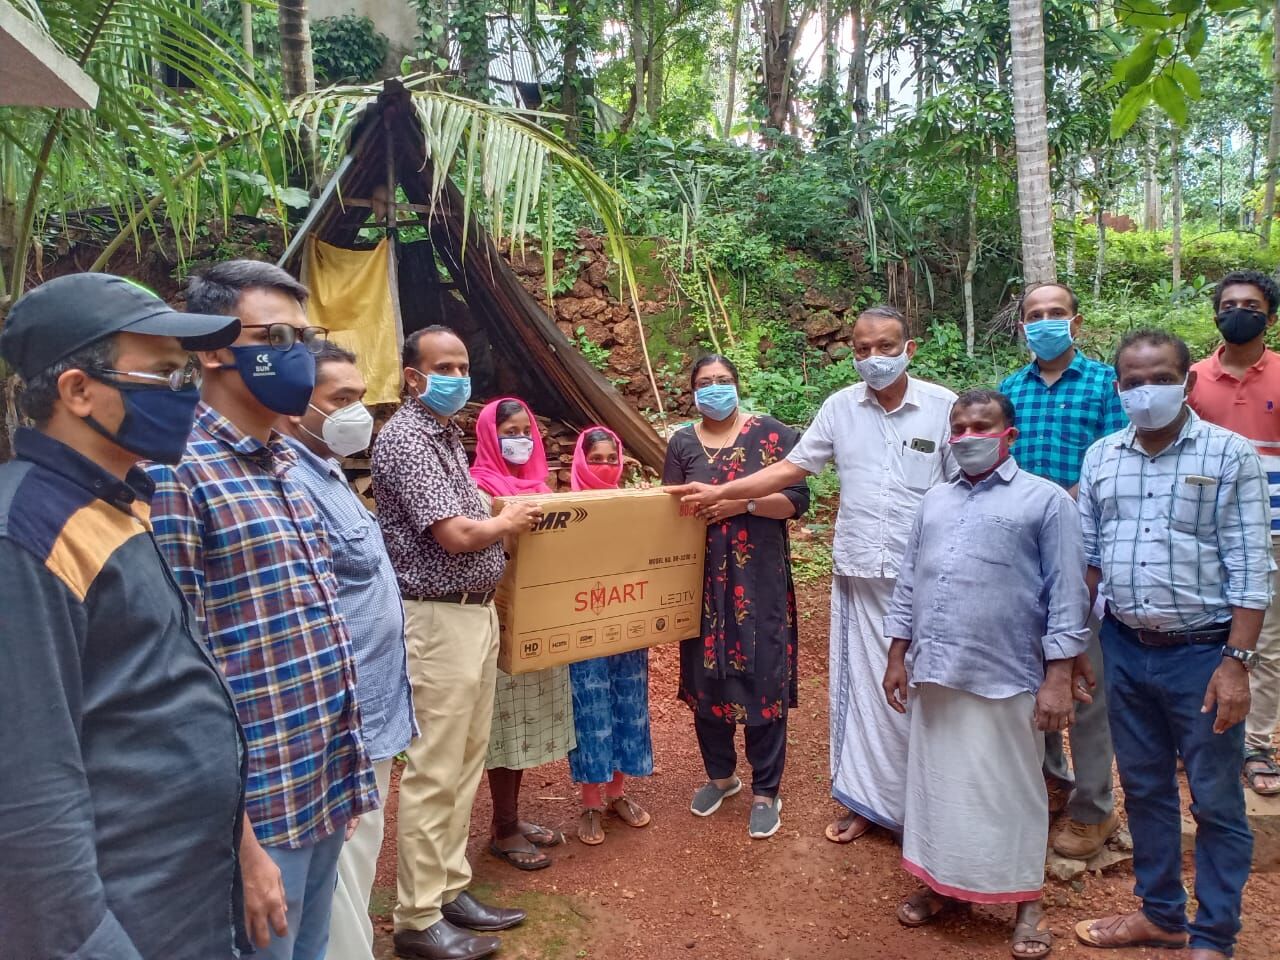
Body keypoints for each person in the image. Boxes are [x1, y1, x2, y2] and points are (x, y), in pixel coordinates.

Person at [0, 274, 251, 958]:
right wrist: (89, 944)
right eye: (168, 374)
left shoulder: (118, 502)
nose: (191, 392)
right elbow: (28, 792)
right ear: (78, 391)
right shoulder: (27, 536)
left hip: (189, 895)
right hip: (128, 921)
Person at [146, 261, 378, 960]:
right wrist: (242, 846)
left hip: (322, 778)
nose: (296, 353)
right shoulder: (175, 472)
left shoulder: (284, 459)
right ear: (214, 348)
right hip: (256, 810)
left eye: (303, 336)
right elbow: (172, 674)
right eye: (274, 334)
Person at [670, 306, 956, 843]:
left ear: (909, 349)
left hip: (928, 576)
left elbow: (966, 487)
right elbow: (793, 470)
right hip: (859, 574)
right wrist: (724, 494)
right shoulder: (840, 409)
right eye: (863, 349)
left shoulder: (944, 409)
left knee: (934, 690)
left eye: (886, 347)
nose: (874, 358)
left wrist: (732, 500)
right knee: (866, 695)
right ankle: (870, 803)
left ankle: (932, 812)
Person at [1075, 330, 1272, 959]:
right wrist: (1083, 644)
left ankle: (1214, 934)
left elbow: (1250, 563)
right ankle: (1161, 914)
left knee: (1215, 800)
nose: (1145, 391)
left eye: (1158, 378)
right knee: (1145, 788)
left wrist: (1236, 664)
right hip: (1125, 649)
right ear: (1118, 388)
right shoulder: (1101, 457)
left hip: (1204, 655)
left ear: (1187, 382)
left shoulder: (1229, 454)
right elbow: (1090, 560)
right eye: (1132, 382)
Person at [883, 388, 1089, 960]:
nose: (969, 436)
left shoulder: (1046, 502)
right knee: (938, 785)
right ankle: (941, 886)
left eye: (982, 426)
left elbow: (1067, 596)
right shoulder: (934, 501)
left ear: (1009, 435)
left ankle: (1026, 905)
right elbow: (909, 582)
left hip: (1008, 671)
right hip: (936, 669)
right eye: (961, 427)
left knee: (1012, 790)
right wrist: (897, 655)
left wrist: (1058, 676)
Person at [372, 326, 543, 960]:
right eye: (442, 365)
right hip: (436, 620)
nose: (456, 375)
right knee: (436, 766)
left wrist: (495, 518)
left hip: (471, 616)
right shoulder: (408, 440)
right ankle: (417, 919)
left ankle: (448, 889)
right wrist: (508, 521)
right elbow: (456, 535)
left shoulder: (443, 434)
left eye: (464, 363)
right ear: (413, 376)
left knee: (466, 760)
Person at [276, 341, 418, 960]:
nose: (357, 411)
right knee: (335, 885)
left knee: (356, 870)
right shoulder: (287, 482)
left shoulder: (327, 469)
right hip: (341, 720)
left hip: (374, 713)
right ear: (291, 404)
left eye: (361, 397)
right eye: (340, 400)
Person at [999, 281, 1127, 859]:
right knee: (1031, 676)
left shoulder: (1105, 385)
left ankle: (1094, 807)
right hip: (1023, 557)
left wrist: (1058, 507)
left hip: (1087, 556)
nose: (1044, 322)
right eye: (1034, 315)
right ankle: (1051, 783)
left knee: (1084, 680)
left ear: (1075, 322)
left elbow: (1114, 464)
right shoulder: (1010, 389)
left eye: (1055, 313)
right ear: (1022, 325)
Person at [662, 355, 810, 840]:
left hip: (758, 577)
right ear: (692, 392)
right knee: (706, 677)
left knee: (762, 673)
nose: (715, 389)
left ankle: (767, 790)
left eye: (723, 381)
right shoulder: (682, 441)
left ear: (738, 385)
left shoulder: (771, 434)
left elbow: (796, 500)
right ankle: (721, 776)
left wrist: (740, 503)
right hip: (700, 579)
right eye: (705, 383)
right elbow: (669, 507)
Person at [469, 397, 577, 870]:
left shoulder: (541, 485)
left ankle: (509, 820)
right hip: (503, 619)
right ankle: (505, 827)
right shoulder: (477, 488)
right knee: (503, 725)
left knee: (526, 723)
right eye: (509, 431)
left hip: (542, 618)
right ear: (491, 436)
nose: (520, 440)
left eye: (525, 430)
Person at [1188, 269, 1280, 798]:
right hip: (1205, 532)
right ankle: (1205, 729)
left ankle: (1258, 742)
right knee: (1205, 634)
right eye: (1229, 304)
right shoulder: (1194, 380)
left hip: (1272, 532)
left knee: (1263, 640)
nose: (1238, 312)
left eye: (1250, 304)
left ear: (1270, 316)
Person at [566, 426, 655, 845]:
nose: (603, 466)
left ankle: (618, 794)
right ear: (581, 460)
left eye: (609, 459)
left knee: (628, 702)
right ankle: (589, 803)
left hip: (627, 620)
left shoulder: (635, 507)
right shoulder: (562, 509)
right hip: (582, 624)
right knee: (590, 710)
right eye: (595, 459)